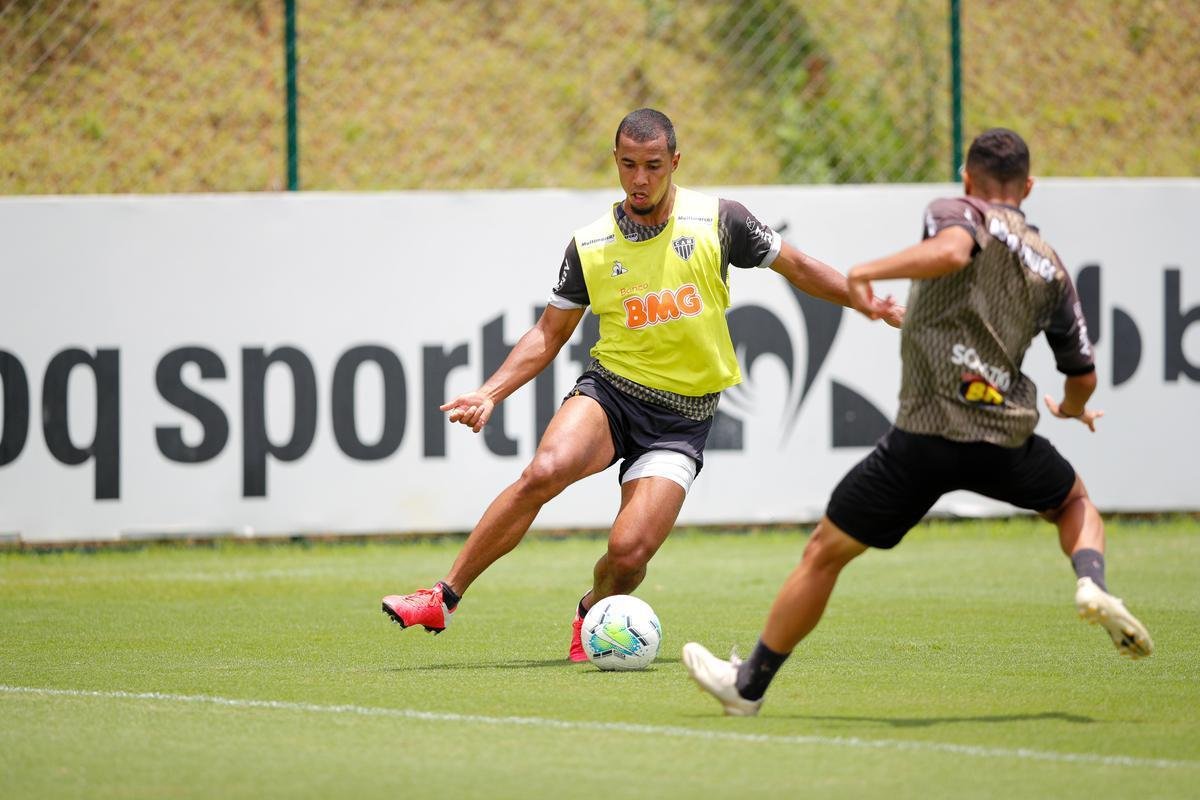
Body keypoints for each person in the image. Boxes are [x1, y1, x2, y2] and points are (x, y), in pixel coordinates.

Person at [381, 108, 903, 659]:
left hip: (682, 421)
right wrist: (490, 392)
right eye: (628, 165)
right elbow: (549, 333)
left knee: (628, 556)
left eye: (653, 166)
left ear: (675, 162)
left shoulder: (721, 221)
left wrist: (862, 298)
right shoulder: (590, 246)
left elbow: (797, 267)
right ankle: (444, 596)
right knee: (544, 470)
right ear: (616, 162)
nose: (640, 179)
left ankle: (591, 611)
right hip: (611, 393)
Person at [683, 127, 1154, 716]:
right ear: (1028, 187)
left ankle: (748, 686)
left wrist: (867, 270)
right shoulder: (1053, 268)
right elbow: (1082, 375)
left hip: (924, 437)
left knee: (824, 554)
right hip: (1004, 434)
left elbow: (955, 251)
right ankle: (1092, 583)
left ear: (967, 178)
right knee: (1072, 502)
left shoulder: (955, 210)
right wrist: (1074, 408)